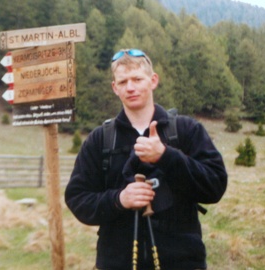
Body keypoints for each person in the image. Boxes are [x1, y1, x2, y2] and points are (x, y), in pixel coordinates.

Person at [65, 48, 227, 270]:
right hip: (117, 263)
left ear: (153, 81)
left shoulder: (186, 130)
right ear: (114, 88)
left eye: (137, 79)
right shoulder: (100, 140)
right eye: (122, 82)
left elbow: (215, 186)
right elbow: (77, 198)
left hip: (182, 263)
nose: (130, 87)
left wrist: (166, 156)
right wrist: (119, 199)